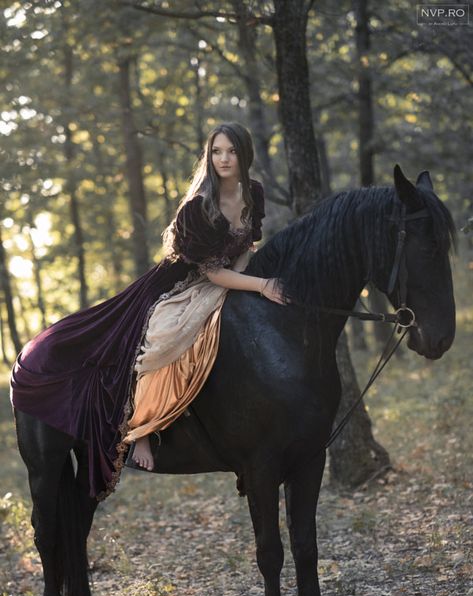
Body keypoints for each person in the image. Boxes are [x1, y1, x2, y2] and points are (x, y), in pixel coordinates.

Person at [10, 122, 284, 499]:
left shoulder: (253, 193)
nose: (223, 159)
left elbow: (244, 248)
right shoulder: (197, 207)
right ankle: (142, 432)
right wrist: (261, 285)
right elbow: (210, 270)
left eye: (231, 151)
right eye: (217, 151)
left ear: (244, 154)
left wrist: (245, 280)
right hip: (175, 285)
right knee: (165, 339)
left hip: (227, 279)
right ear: (209, 156)